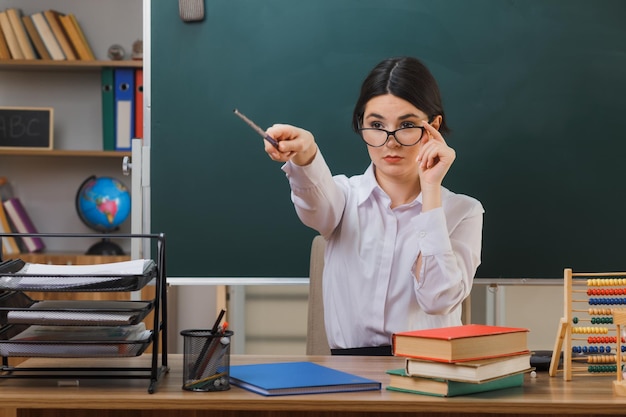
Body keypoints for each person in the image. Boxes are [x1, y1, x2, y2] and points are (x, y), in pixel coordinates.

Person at [263, 56, 484, 356]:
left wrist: (430, 190)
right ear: (361, 125)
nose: (389, 141)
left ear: (433, 127)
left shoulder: (464, 211)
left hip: (428, 373)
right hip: (347, 378)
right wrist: (306, 154)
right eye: (376, 125)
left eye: (406, 125)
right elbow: (316, 204)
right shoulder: (343, 197)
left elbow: (438, 298)